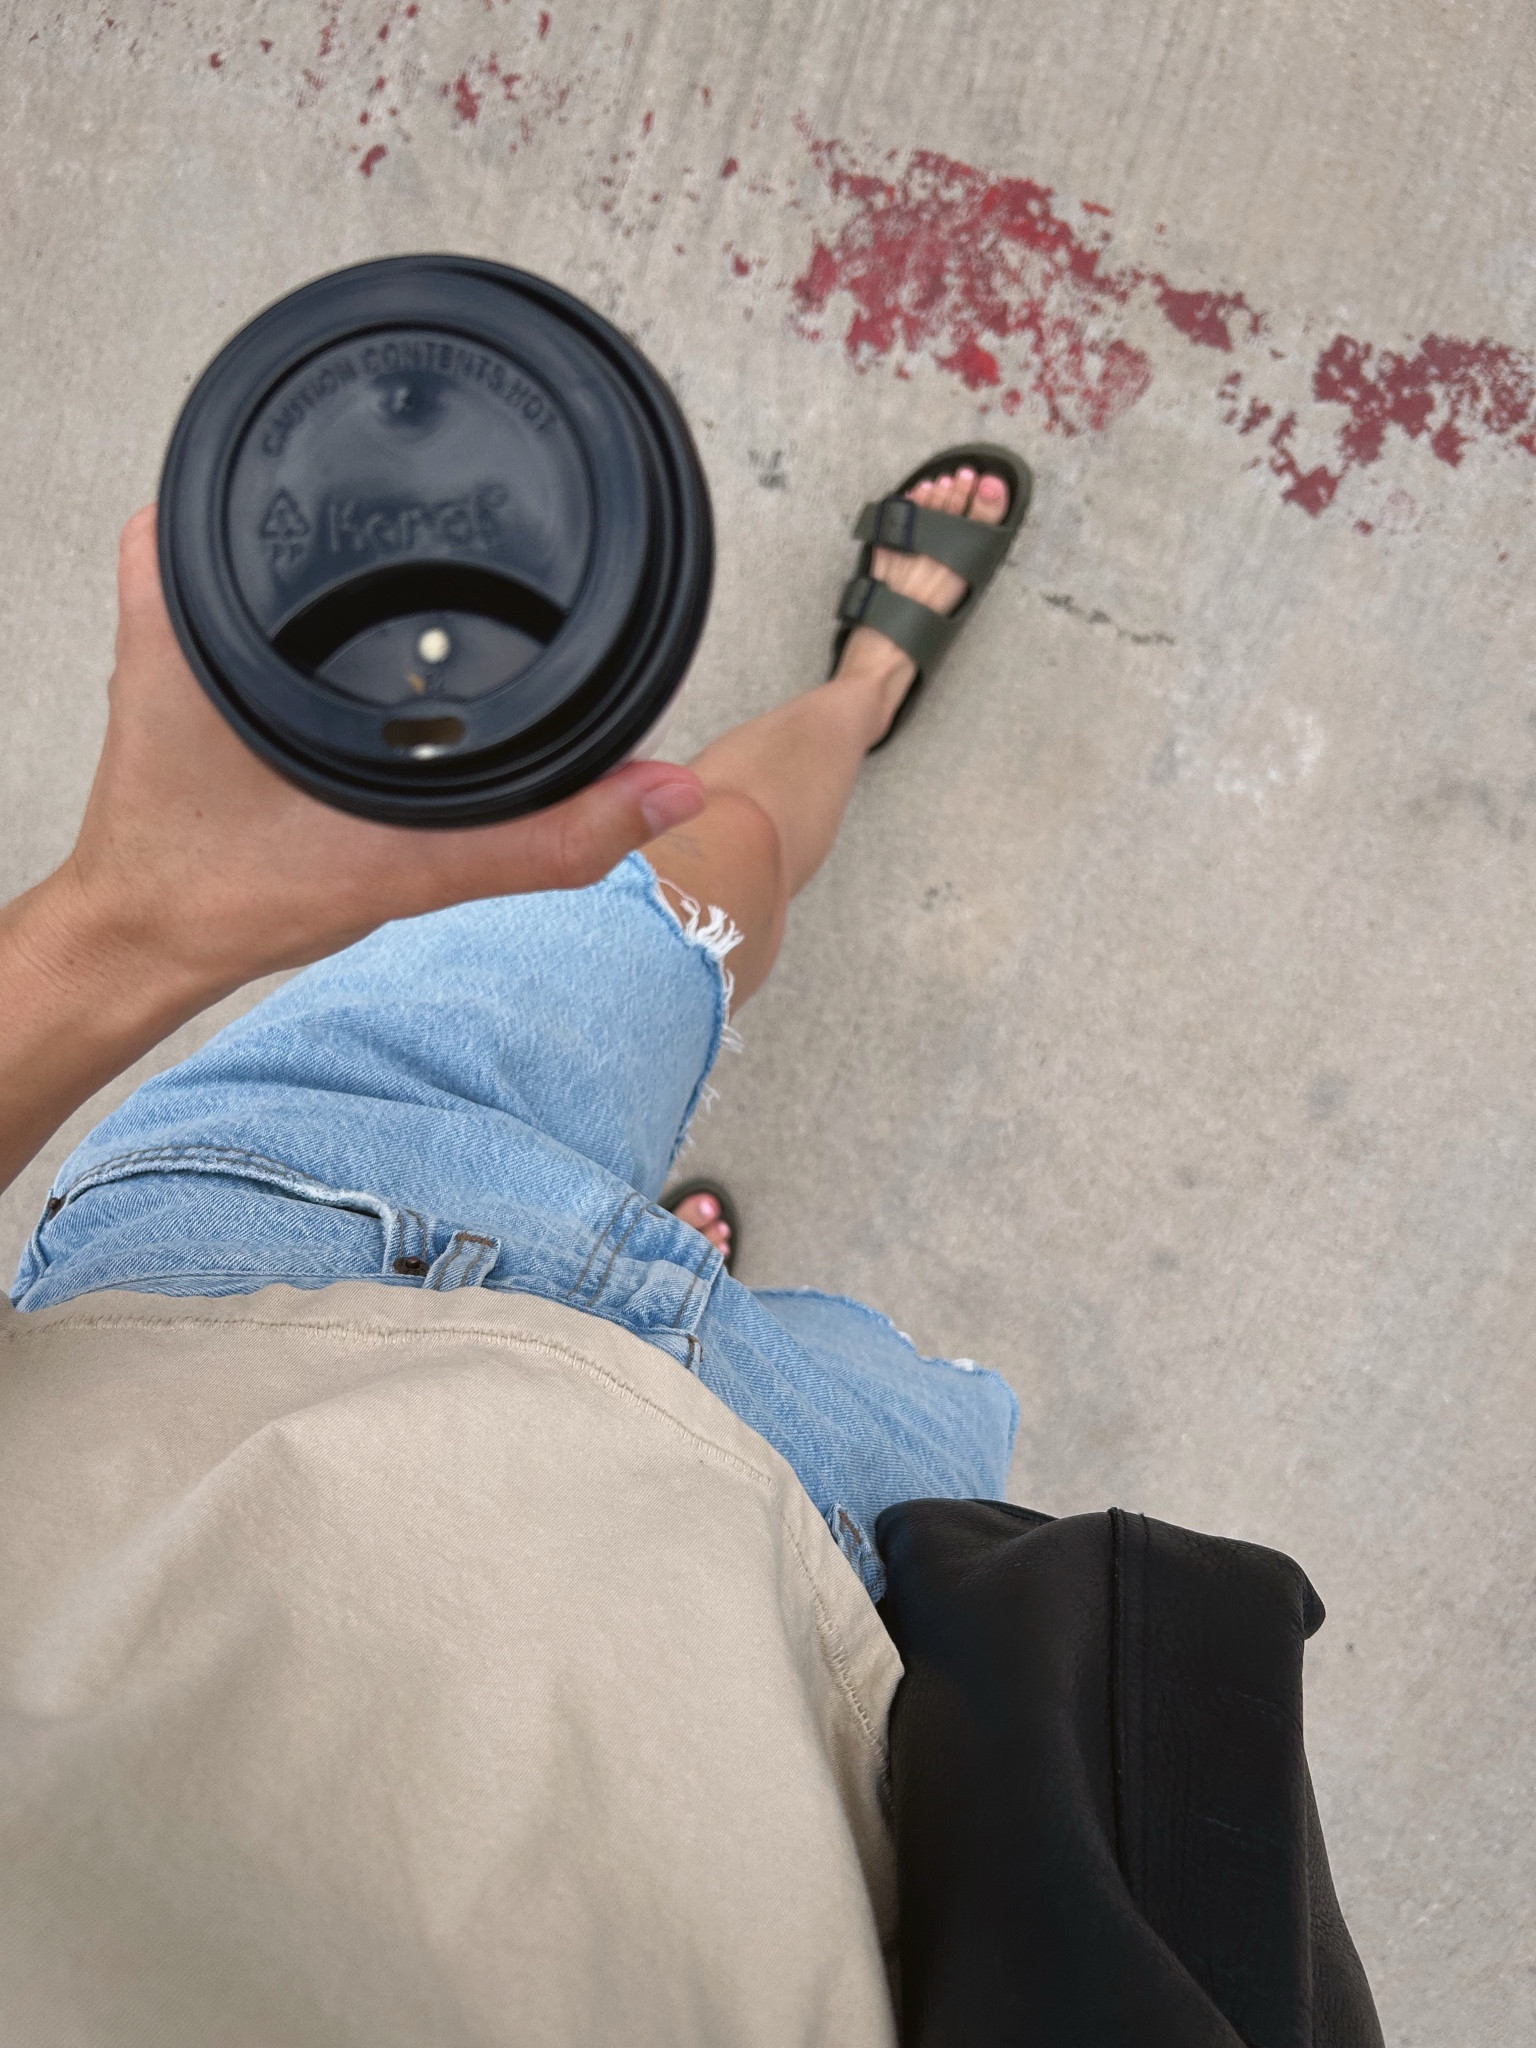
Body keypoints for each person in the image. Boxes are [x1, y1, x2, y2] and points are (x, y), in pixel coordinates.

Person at [0, 455, 1024, 2045]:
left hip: (270, 1255)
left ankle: (858, 696)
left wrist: (130, 923)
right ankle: (856, 703)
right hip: (809, 1628)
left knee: (712, 853)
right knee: (694, 894)